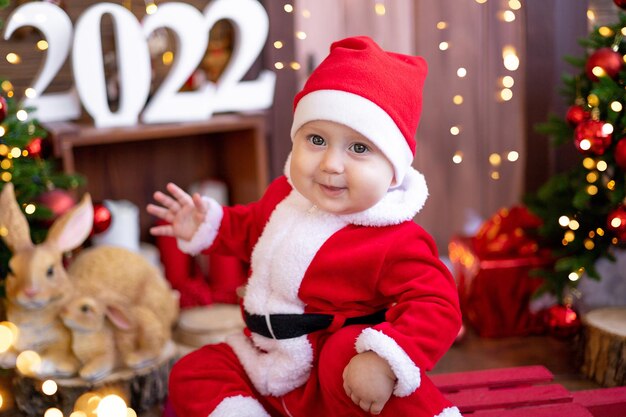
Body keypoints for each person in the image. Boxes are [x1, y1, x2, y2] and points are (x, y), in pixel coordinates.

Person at [147, 36, 462, 417]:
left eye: (359, 148)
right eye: (316, 139)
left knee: (349, 354)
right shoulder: (286, 196)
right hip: (267, 356)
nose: (330, 163)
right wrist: (211, 224)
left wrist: (384, 357)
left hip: (329, 378)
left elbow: (437, 304)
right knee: (194, 371)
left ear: (393, 171)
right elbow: (253, 230)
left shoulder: (395, 239)